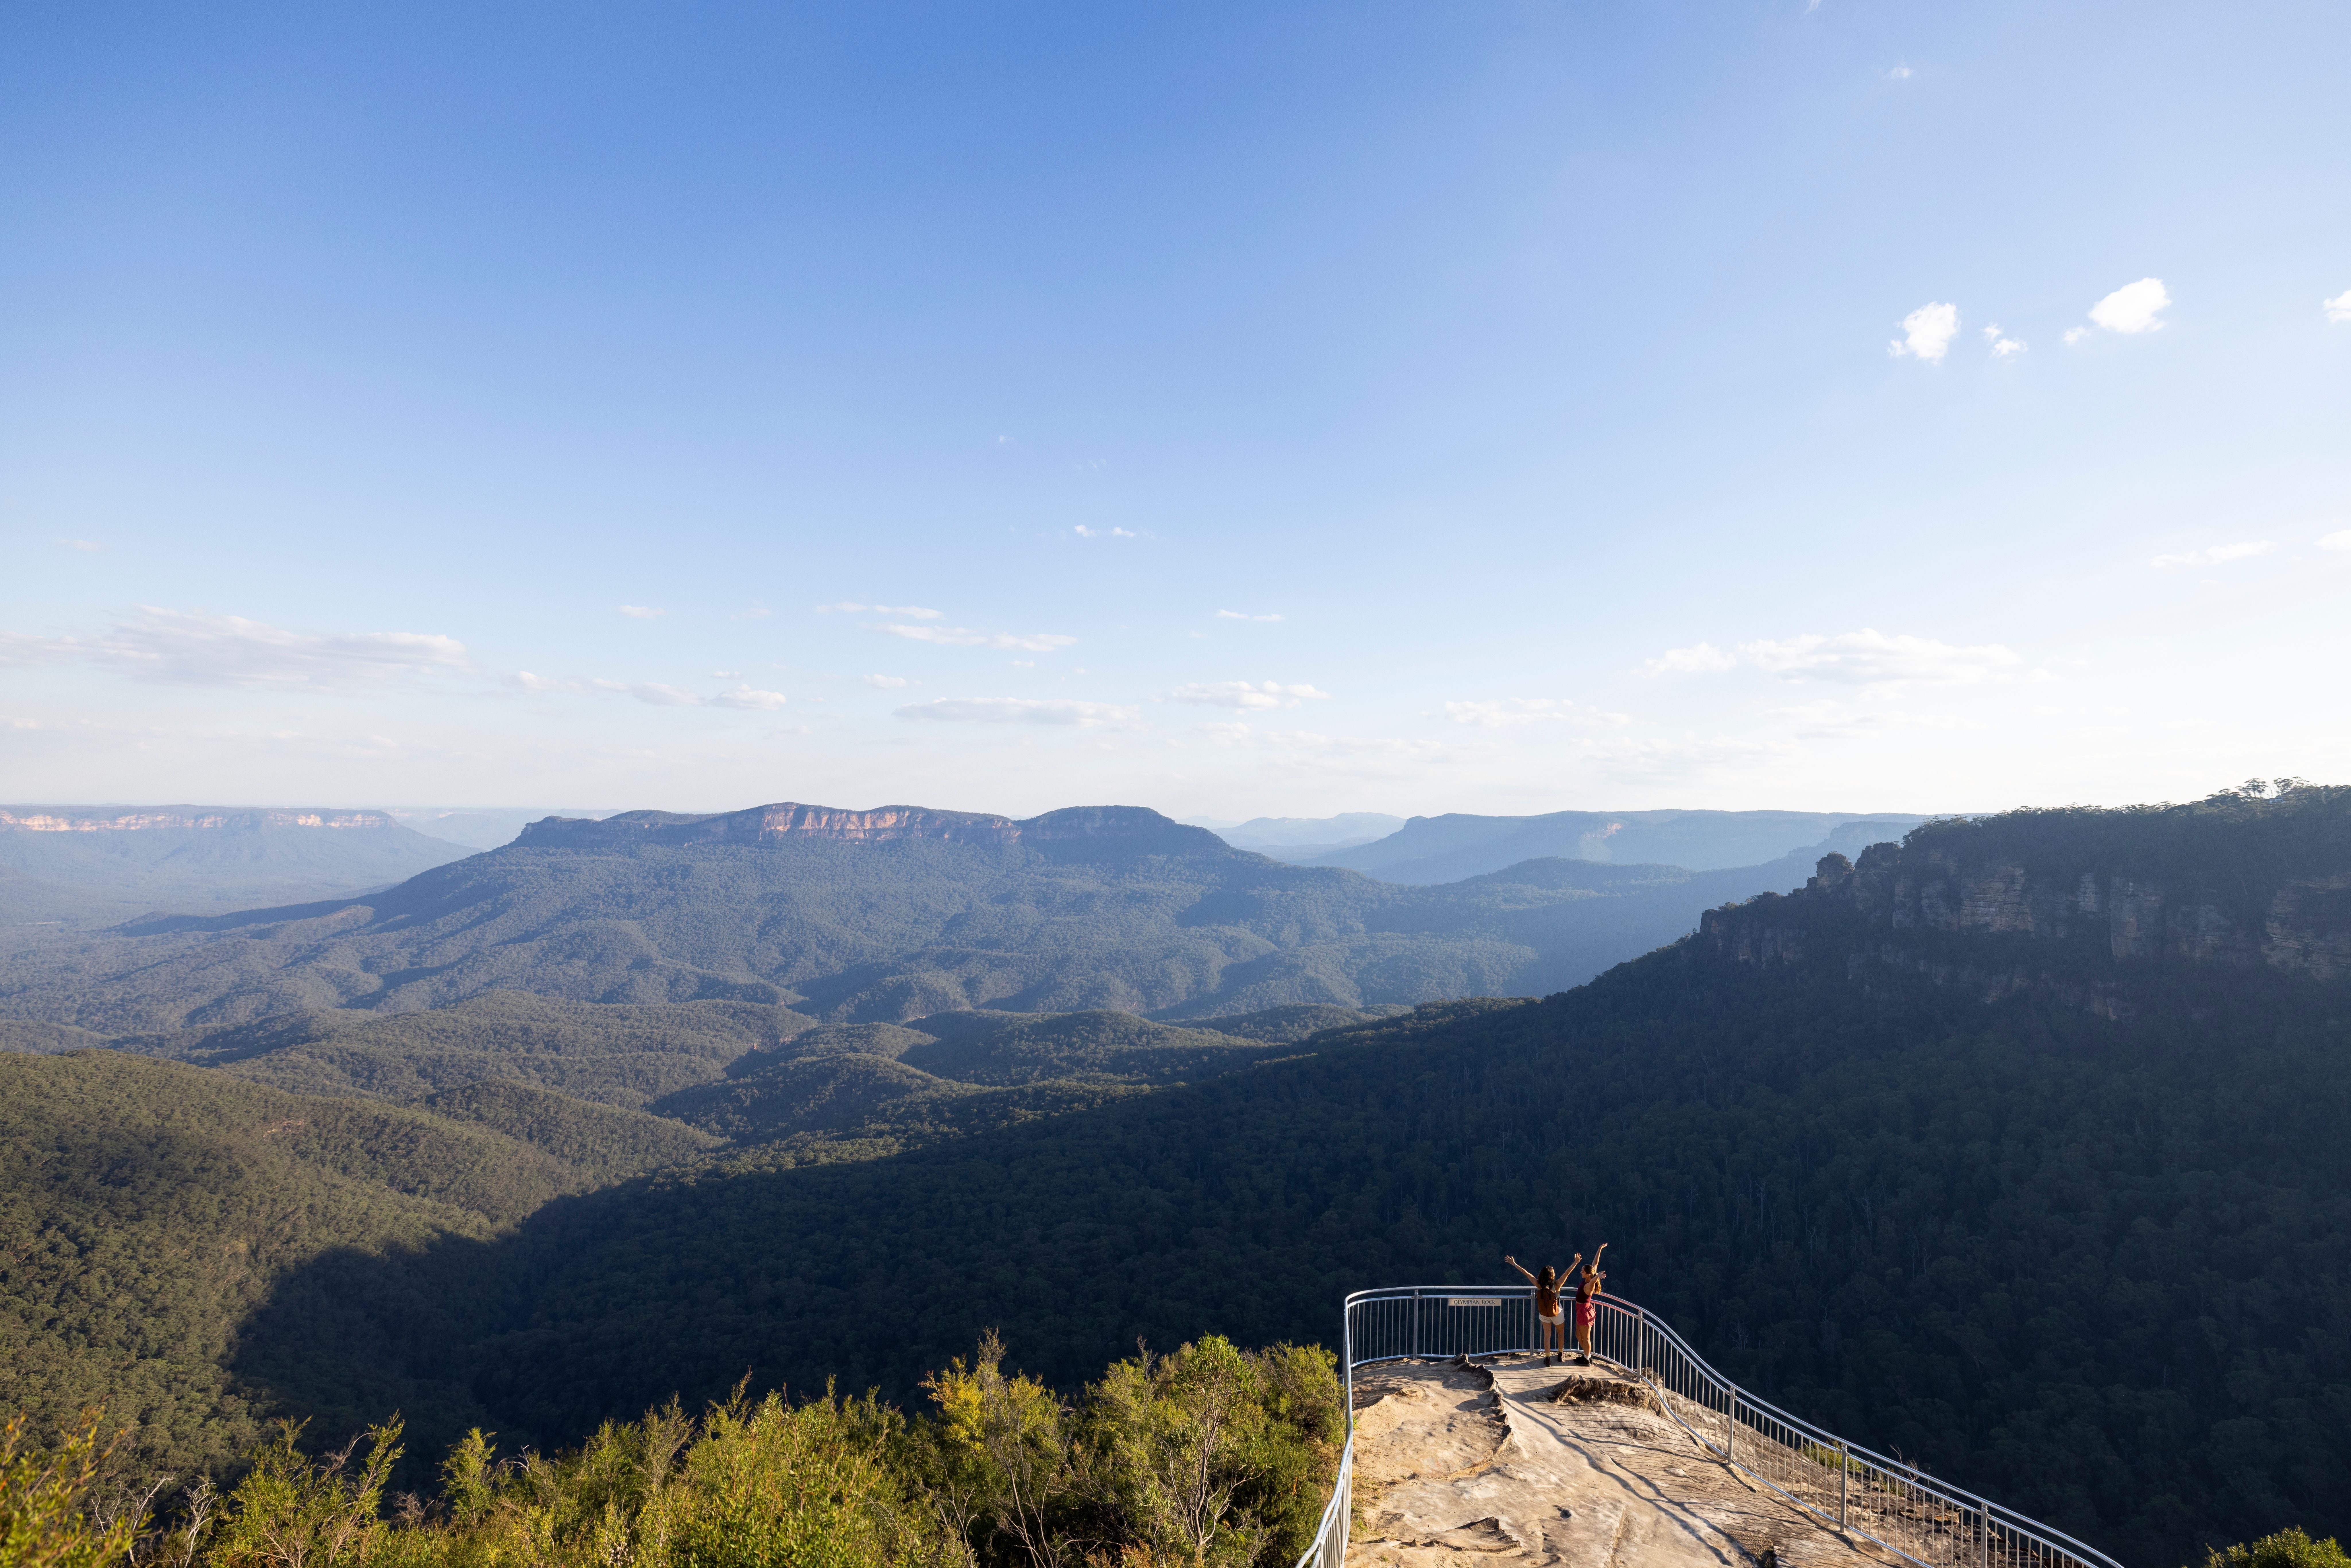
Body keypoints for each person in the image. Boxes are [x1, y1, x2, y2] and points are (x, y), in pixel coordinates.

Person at [1505, 1251, 1578, 1365]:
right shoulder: (1557, 1285)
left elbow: (1527, 1274)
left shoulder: (1539, 1285)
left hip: (1544, 1313)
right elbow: (1567, 1274)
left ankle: (1548, 1358)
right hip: (1557, 1312)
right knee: (1561, 1333)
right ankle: (1560, 1354)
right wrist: (1575, 1263)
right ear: (1552, 1275)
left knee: (1547, 1335)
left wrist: (1514, 1264)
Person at [1571, 1243, 1609, 1365]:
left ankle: (1587, 1359)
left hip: (1585, 1311)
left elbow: (1594, 1281)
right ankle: (1587, 1355)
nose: (1581, 1272)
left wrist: (1597, 1276)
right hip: (1581, 1310)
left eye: (1583, 1271)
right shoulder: (1590, 1277)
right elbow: (1595, 1264)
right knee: (1578, 1335)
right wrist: (1599, 1249)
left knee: (1586, 1338)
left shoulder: (1589, 1285)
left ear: (1588, 1274)